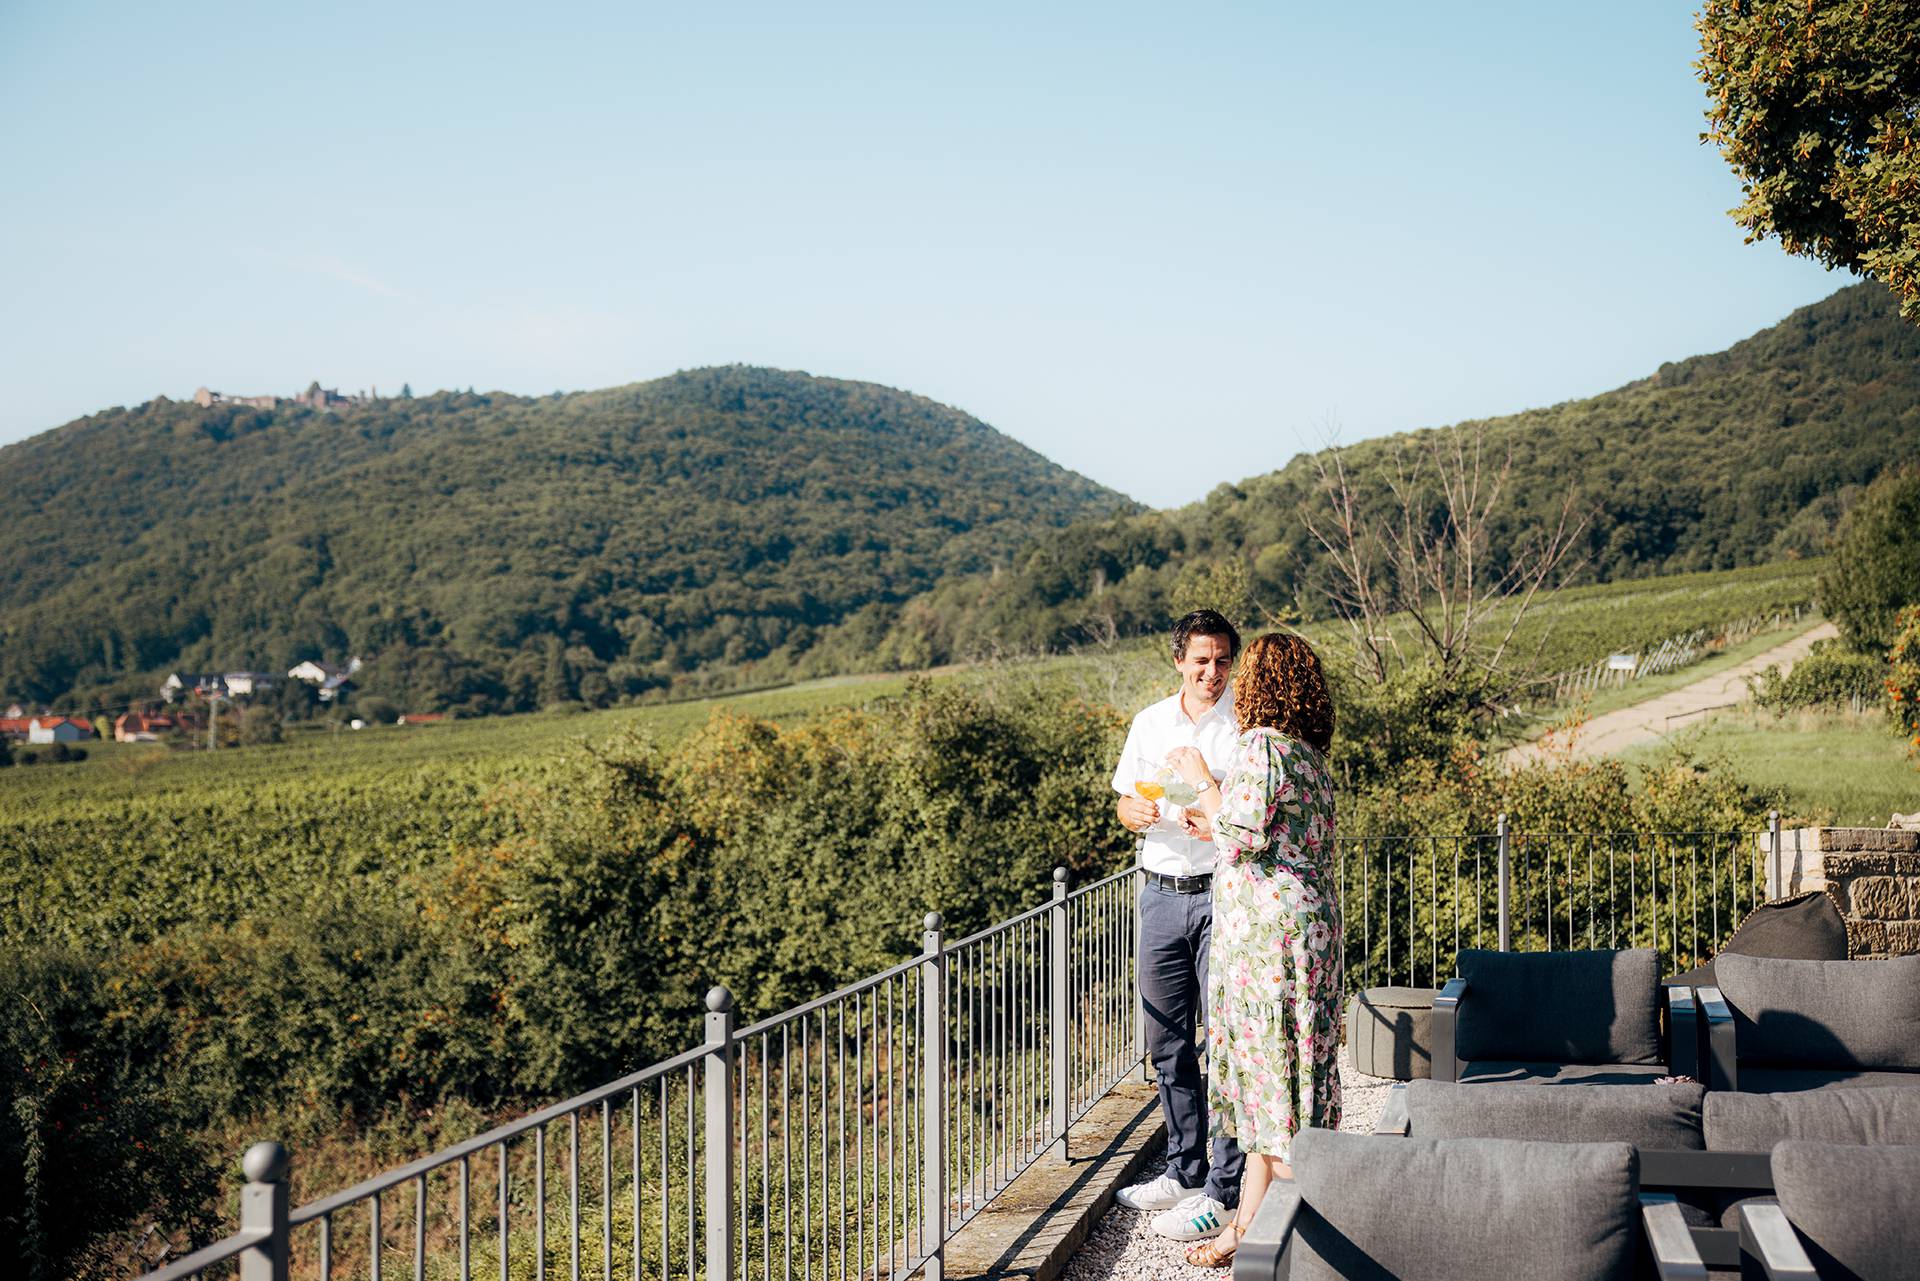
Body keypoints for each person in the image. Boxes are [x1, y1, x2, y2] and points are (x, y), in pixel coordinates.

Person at [1164, 630, 1341, 1268]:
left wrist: (1200, 781)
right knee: (1283, 1086)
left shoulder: (1264, 746)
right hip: (1302, 931)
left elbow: (1239, 832)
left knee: (1278, 1089)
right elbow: (1268, 834)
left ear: (1262, 684)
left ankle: (1305, 1245)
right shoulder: (1309, 752)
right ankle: (1243, 1230)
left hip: (1270, 942)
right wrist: (1214, 817)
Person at [1110, 610, 1246, 1241]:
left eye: (1222, 660)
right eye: (1201, 660)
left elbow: (1249, 815)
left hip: (1223, 894)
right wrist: (1131, 810)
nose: (1212, 672)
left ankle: (1225, 1184)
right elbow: (1124, 800)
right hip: (1160, 893)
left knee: (1223, 1042)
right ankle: (1184, 1170)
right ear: (1179, 662)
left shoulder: (1248, 724)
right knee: (1167, 1043)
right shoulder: (1149, 722)